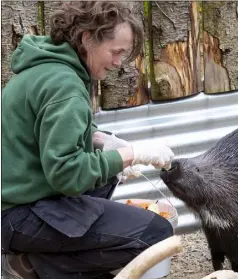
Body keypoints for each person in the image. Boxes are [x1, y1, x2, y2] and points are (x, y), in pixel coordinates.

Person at [1, 2, 175, 278]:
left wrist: (104, 141)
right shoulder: (65, 87)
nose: (119, 63)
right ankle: (30, 265)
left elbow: (50, 131)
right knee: (156, 233)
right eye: (116, 51)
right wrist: (131, 154)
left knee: (107, 175)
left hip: (17, 203)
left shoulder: (47, 68)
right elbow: (66, 174)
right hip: (18, 216)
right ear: (87, 38)